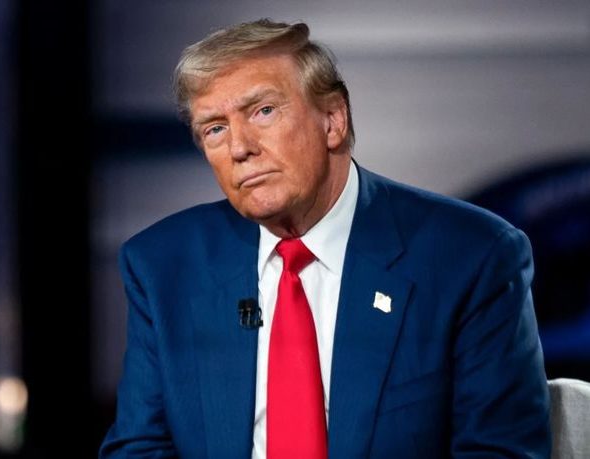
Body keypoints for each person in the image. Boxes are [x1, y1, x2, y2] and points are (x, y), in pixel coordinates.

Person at [100, 19, 551, 458]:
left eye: (263, 111)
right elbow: (138, 447)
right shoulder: (162, 266)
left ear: (333, 120)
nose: (239, 147)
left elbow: (499, 449)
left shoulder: (472, 257)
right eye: (215, 128)